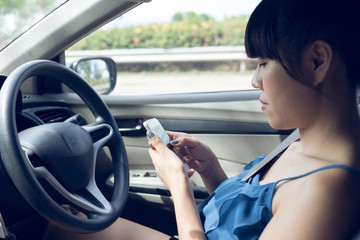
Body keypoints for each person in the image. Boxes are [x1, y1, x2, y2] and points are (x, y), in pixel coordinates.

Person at [43, 0, 360, 239]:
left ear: (317, 61)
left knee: (58, 226)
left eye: (263, 63)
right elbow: (246, 222)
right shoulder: (301, 144)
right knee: (64, 222)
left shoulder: (327, 190)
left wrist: (179, 184)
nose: (255, 80)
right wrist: (210, 170)